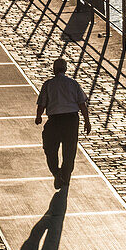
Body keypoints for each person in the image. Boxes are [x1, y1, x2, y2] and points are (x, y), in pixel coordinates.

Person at [34, 57, 91, 189]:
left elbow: (42, 104)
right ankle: (65, 176)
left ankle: (56, 173)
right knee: (69, 151)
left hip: (54, 120)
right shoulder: (73, 83)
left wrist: (38, 117)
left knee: (50, 149)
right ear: (65, 69)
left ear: (54, 70)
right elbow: (82, 104)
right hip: (71, 120)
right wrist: (87, 121)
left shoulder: (48, 84)